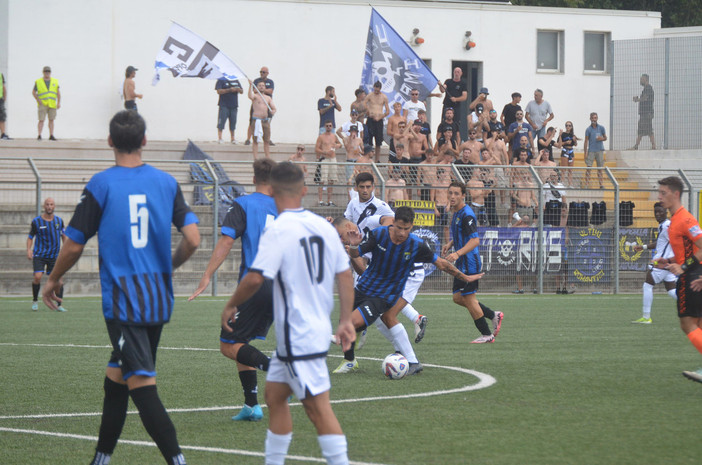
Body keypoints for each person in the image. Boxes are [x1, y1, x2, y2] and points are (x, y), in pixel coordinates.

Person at [42, 110, 200, 465]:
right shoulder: (167, 183)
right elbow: (192, 238)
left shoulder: (101, 184)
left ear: (110, 141)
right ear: (144, 141)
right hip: (159, 298)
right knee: (116, 378)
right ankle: (100, 459)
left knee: (142, 385)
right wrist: (168, 266)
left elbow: (74, 244)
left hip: (126, 301)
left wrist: (52, 279)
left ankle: (178, 461)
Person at [220, 161, 355, 464]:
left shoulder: (278, 229)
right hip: (306, 334)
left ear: (271, 191)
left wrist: (230, 304)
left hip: (299, 335)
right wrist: (346, 319)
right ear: (304, 190)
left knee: (318, 410)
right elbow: (344, 274)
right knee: (275, 396)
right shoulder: (323, 225)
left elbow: (255, 278)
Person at [335, 206, 482, 372]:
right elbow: (356, 256)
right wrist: (354, 247)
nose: (402, 233)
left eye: (406, 229)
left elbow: (441, 264)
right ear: (393, 223)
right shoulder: (379, 234)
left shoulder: (416, 245)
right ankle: (351, 360)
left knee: (360, 322)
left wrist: (465, 277)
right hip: (365, 287)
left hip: (385, 294)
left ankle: (411, 360)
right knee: (347, 324)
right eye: (398, 228)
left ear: (411, 227)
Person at [189, 158, 277, 422]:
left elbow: (226, 242)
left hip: (255, 285)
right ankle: (252, 405)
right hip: (284, 285)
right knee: (241, 342)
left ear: (254, 179)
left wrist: (206, 276)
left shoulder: (244, 204)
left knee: (228, 345)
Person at [443, 181, 504, 343]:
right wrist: (450, 244)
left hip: (470, 263)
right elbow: (461, 235)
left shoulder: (467, 214)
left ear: (464, 195)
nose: (453, 196)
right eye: (450, 193)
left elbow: (475, 241)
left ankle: (487, 334)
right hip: (462, 262)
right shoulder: (456, 212)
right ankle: (493, 315)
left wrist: (457, 253)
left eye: (456, 193)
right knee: (457, 297)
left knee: (469, 299)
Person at [655, 176, 702, 383]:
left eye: (663, 193)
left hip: (691, 276)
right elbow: (689, 250)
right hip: (692, 273)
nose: (659, 197)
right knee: (698, 324)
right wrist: (670, 260)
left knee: (687, 324)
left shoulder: (685, 219)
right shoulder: (675, 220)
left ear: (676, 194)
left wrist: (682, 267)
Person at [632, 202, 677, 324]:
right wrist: (644, 247)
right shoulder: (663, 225)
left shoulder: (667, 226)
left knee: (647, 285)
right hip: (666, 264)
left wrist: (671, 258)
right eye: (656, 212)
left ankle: (646, 317)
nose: (658, 214)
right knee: (672, 291)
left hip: (661, 263)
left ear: (666, 212)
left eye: (660, 211)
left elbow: (676, 241)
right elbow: (661, 242)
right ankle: (695, 304)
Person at [27, 197, 65, 311]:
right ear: (44, 206)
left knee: (59, 281)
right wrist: (29, 249)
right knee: (38, 277)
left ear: (54, 206)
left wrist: (66, 249)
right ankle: (35, 301)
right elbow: (30, 237)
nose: (49, 206)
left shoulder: (59, 221)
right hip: (40, 255)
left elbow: (64, 236)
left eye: (51, 204)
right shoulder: (36, 221)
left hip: (54, 256)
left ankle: (59, 305)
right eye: (47, 204)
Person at [244, 66, 274, 145]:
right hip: (257, 104)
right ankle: (248, 139)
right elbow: (254, 91)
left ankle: (267, 139)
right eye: (261, 72)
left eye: (263, 72)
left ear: (267, 73)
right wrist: (263, 90)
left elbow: (271, 91)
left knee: (267, 122)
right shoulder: (256, 80)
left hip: (267, 104)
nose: (262, 73)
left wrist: (261, 89)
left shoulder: (270, 81)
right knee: (251, 121)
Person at [316, 121, 342, 206]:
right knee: (322, 180)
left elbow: (340, 144)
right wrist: (325, 152)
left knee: (331, 180)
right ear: (324, 126)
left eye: (330, 126)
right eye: (327, 126)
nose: (328, 127)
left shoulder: (334, 136)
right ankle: (320, 201)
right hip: (325, 159)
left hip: (333, 159)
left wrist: (337, 146)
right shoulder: (321, 137)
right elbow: (316, 149)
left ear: (332, 127)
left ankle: (329, 201)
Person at [248, 79, 277, 159]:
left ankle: (267, 157)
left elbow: (274, 108)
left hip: (265, 121)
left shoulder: (268, 98)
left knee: (267, 140)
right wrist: (250, 86)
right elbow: (250, 96)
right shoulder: (255, 96)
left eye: (263, 86)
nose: (261, 87)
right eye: (259, 86)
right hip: (256, 120)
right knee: (255, 140)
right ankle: (255, 158)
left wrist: (273, 111)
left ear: (265, 87)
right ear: (257, 87)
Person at [364, 81, 390, 162]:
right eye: (375, 90)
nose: (376, 92)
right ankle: (369, 158)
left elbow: (387, 111)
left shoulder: (384, 97)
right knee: (369, 140)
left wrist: (380, 117)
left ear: (380, 89)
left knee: (378, 141)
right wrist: (368, 111)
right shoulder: (370, 95)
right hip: (371, 119)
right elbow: (364, 103)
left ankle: (377, 159)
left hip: (379, 120)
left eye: (377, 90)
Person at [33, 66, 60, 140]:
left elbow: (58, 93)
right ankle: (39, 135)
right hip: (43, 104)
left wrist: (58, 103)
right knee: (41, 120)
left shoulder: (55, 81)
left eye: (48, 72)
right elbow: (33, 92)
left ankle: (51, 135)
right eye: (46, 72)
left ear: (50, 72)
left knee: (51, 120)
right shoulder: (38, 81)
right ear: (43, 72)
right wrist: (38, 100)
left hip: (52, 103)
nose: (47, 73)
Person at [215, 76, 243, 144]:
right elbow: (219, 91)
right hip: (224, 105)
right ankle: (220, 138)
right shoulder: (221, 80)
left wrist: (237, 89)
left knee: (233, 122)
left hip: (234, 105)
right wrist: (229, 90)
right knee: (221, 121)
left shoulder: (235, 80)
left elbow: (242, 91)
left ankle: (233, 138)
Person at [632, 73, 656, 150]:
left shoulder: (648, 88)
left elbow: (645, 98)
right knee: (645, 130)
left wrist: (637, 99)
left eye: (641, 79)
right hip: (645, 113)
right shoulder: (646, 89)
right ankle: (651, 146)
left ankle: (637, 146)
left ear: (645, 79)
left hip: (646, 113)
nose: (640, 80)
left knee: (644, 130)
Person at [583, 112, 607, 189]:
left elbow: (605, 137)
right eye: (593, 118)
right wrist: (585, 152)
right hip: (591, 151)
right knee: (589, 168)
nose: (594, 119)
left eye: (595, 118)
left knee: (600, 169)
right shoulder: (588, 129)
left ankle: (601, 184)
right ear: (590, 118)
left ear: (597, 118)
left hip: (600, 150)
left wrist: (602, 138)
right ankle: (586, 184)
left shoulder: (601, 128)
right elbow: (586, 141)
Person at [558, 121, 578, 186]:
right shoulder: (563, 134)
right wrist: (565, 142)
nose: (568, 127)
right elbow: (559, 144)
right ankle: (562, 182)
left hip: (571, 151)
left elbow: (575, 144)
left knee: (570, 169)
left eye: (569, 125)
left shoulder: (573, 135)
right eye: (566, 125)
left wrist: (574, 140)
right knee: (563, 169)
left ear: (571, 127)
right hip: (565, 150)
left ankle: (570, 183)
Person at [0, 70, 11, 140]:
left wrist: (4, 98)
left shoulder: (0, 75)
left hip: (0, 99)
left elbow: (3, 87)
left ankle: (3, 134)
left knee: (2, 117)